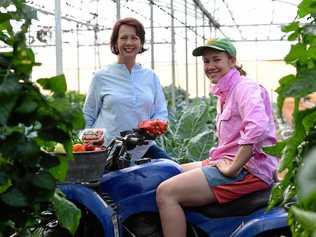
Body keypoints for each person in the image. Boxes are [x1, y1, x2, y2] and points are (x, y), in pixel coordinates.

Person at [156, 38, 278, 237]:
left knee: (166, 193)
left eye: (216, 60)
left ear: (231, 61)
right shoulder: (226, 91)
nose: (210, 66)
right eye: (206, 61)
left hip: (247, 170)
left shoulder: (244, 88)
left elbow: (257, 128)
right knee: (167, 170)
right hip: (226, 160)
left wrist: (233, 168)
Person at [83, 17, 171, 161]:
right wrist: (89, 148)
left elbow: (160, 112)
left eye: (134, 38)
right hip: (109, 150)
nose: (129, 42)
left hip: (144, 148)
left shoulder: (150, 76)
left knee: (172, 171)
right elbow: (88, 116)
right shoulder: (101, 77)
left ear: (140, 42)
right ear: (115, 43)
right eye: (123, 38)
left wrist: (154, 127)